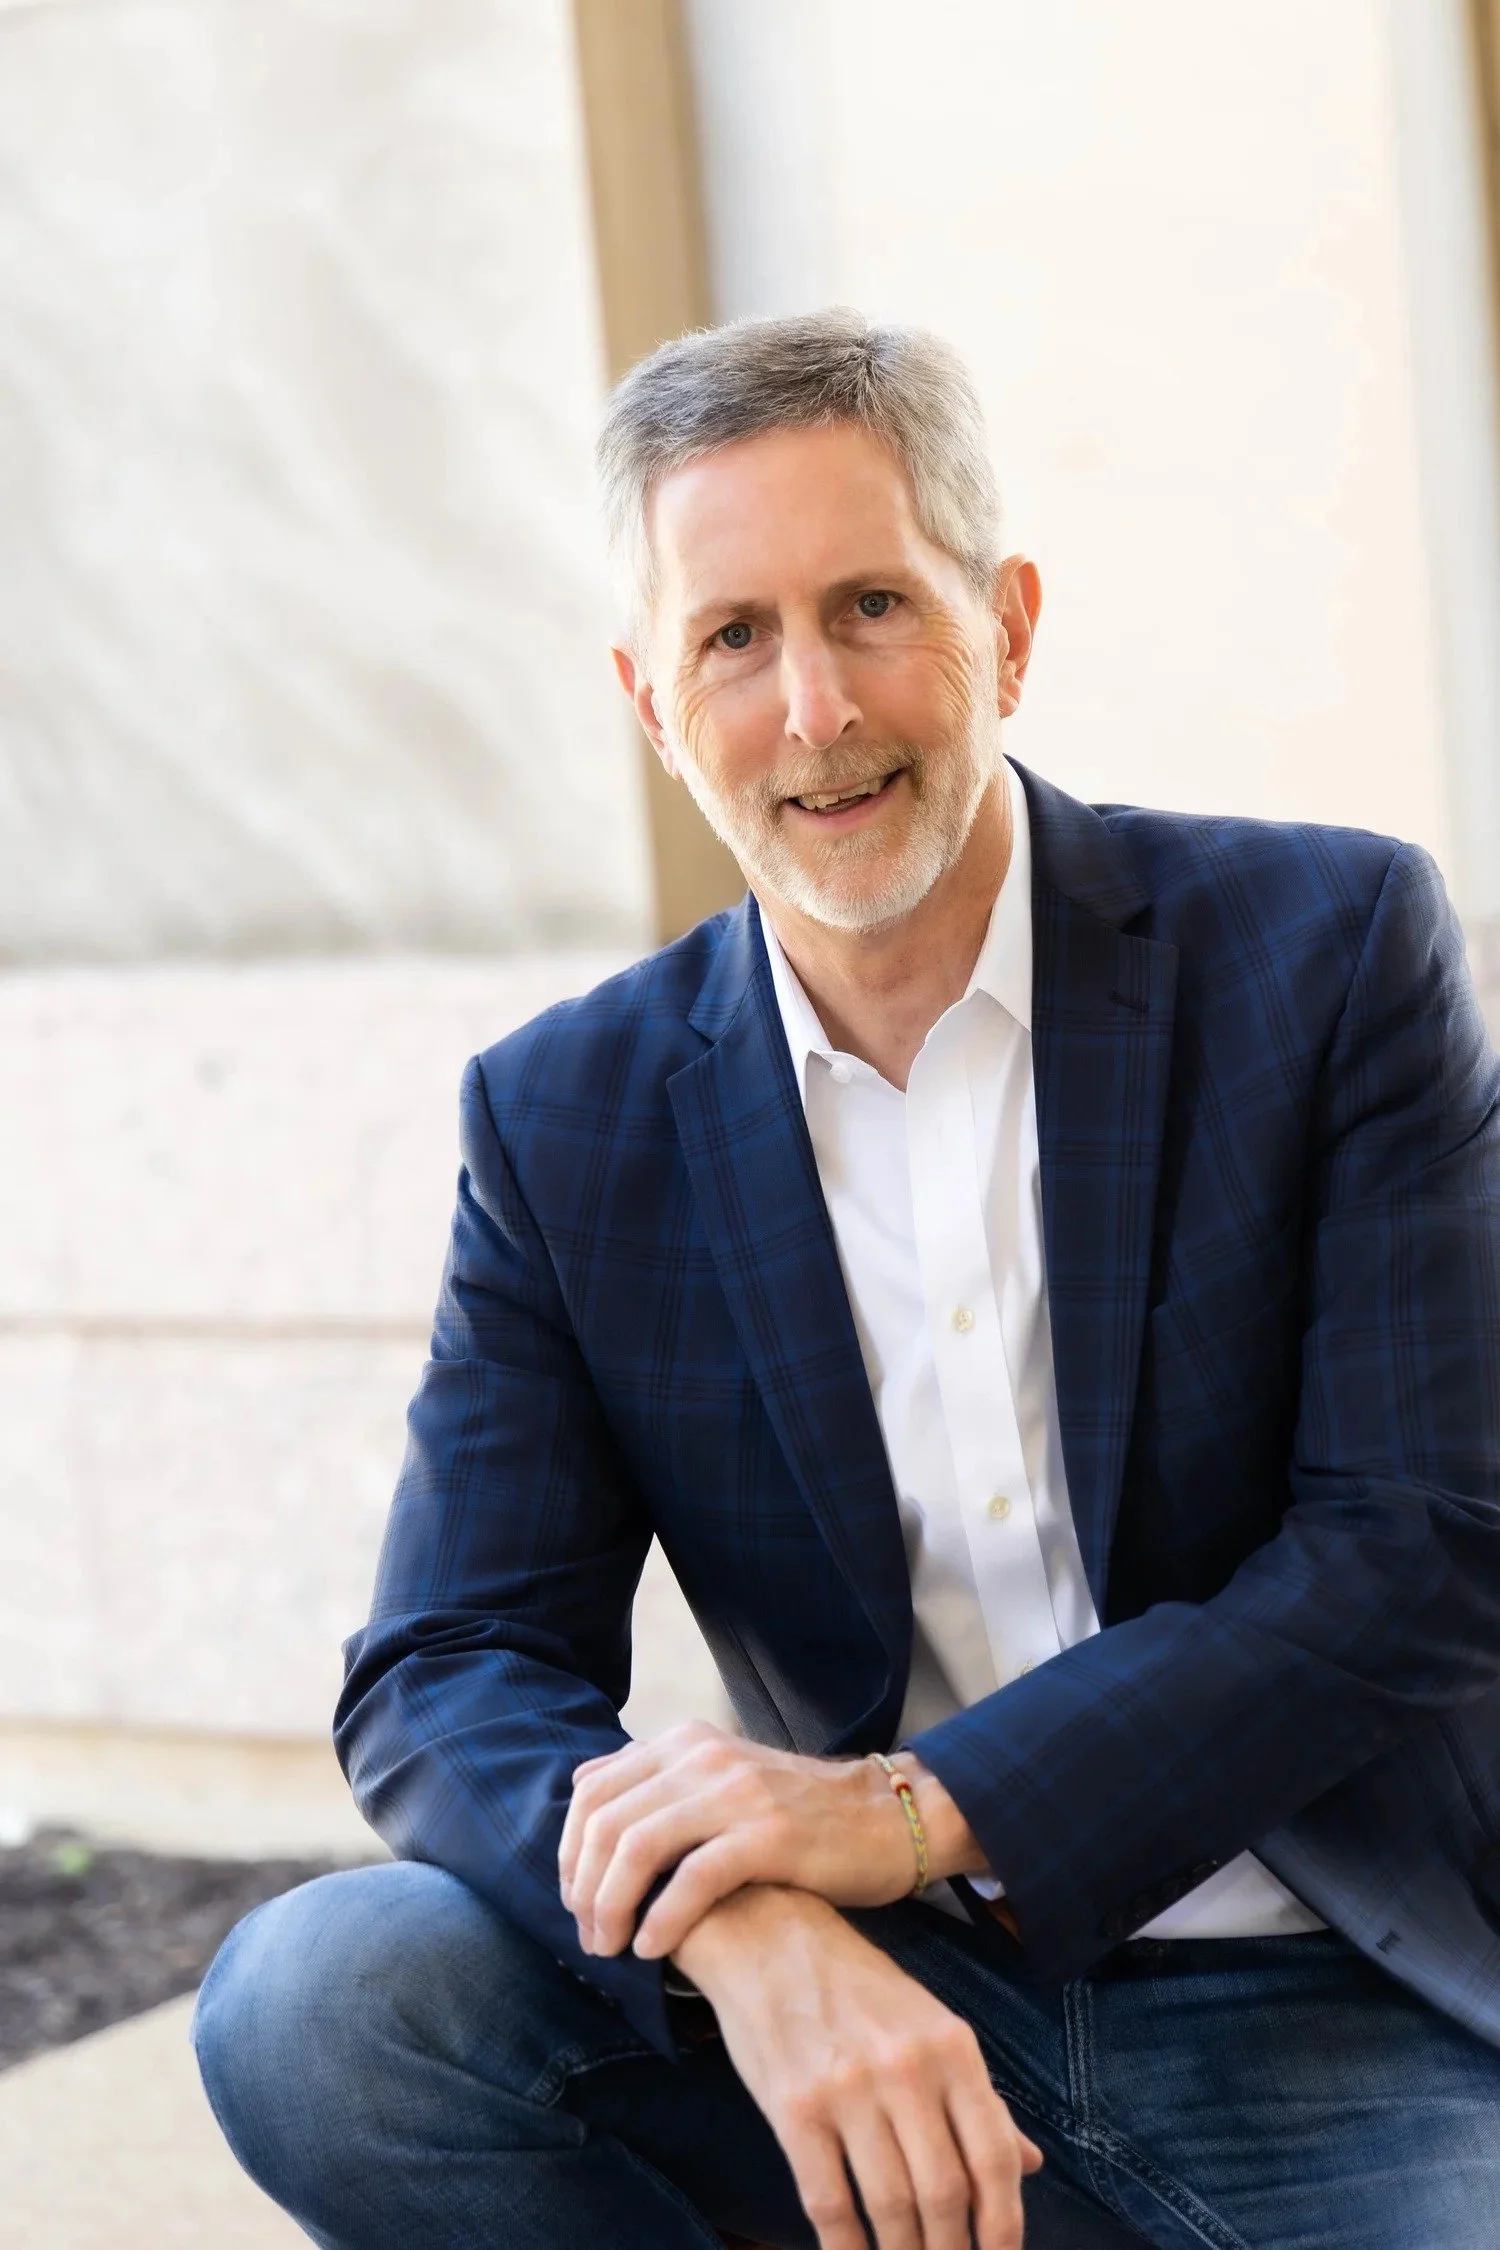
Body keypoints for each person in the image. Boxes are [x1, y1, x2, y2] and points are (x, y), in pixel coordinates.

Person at [192, 310, 1500, 2250]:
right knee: (329, 2002)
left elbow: (1420, 1548)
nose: (813, 711)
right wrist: (748, 1926)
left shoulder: (1324, 951)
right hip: (883, 2015)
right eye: (733, 638)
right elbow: (444, 1665)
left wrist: (905, 1812)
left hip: (1332, 2001)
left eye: (873, 604)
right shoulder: (571, 1116)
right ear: (653, 702)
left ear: (1012, 627)